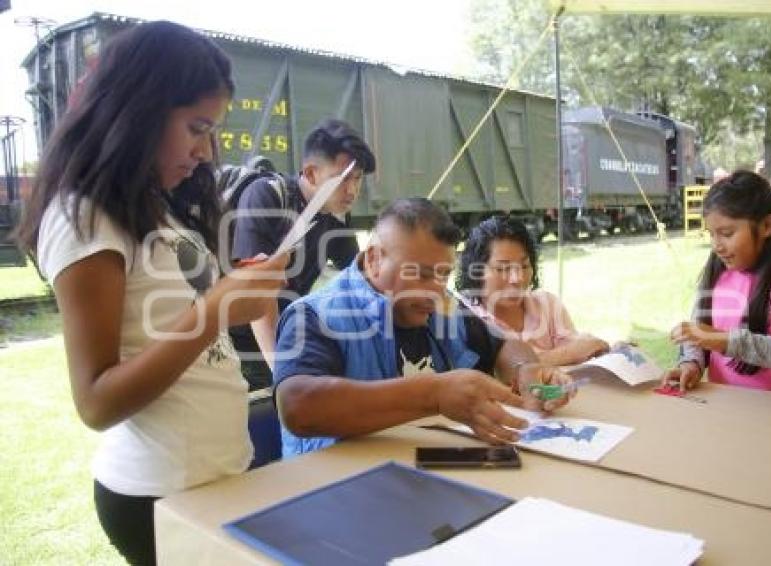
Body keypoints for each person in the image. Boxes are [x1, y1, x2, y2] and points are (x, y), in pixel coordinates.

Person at [17, 22, 287, 565]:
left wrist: (234, 293)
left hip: (213, 477)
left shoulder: (157, 206)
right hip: (157, 494)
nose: (207, 151)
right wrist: (216, 309)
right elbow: (96, 401)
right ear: (137, 111)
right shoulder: (86, 217)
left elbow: (179, 328)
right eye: (196, 127)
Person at [273, 198, 575, 458]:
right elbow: (298, 406)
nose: (435, 290)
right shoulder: (313, 316)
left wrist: (525, 371)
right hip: (335, 491)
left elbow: (502, 345)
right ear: (375, 258)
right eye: (420, 274)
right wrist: (435, 395)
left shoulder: (444, 306)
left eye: (443, 275)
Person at [662, 170, 771, 397]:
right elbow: (700, 329)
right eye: (711, 234)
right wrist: (691, 363)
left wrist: (724, 340)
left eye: (726, 233)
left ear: (767, 226)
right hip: (732, 406)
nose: (716, 246)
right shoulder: (717, 269)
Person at [229, 119, 376, 390]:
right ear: (310, 174)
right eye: (343, 180)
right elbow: (256, 289)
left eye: (357, 180)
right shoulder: (267, 196)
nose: (352, 191)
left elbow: (359, 278)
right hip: (243, 342)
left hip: (287, 333)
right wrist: (282, 373)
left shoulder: (335, 214)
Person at [457, 216, 609, 365]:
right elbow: (499, 373)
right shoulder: (465, 318)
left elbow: (582, 355)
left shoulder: (548, 305)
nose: (517, 278)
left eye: (524, 266)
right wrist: (568, 354)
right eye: (503, 268)